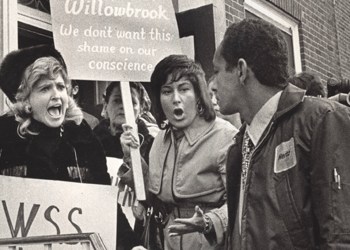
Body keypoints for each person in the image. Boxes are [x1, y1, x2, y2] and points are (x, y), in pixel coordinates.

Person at [212, 19, 350, 249]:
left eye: (216, 71)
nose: (213, 85)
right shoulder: (238, 148)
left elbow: (341, 236)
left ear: (241, 70)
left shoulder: (321, 121)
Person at [121, 55, 238, 250]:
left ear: (198, 94)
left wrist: (209, 222)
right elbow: (152, 196)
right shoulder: (160, 140)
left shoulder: (225, 138)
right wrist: (132, 156)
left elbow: (242, 204)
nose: (176, 99)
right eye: (167, 91)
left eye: (184, 89)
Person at [0, 45, 109, 184]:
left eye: (61, 87)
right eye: (45, 88)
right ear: (26, 100)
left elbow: (104, 199)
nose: (57, 95)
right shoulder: (4, 136)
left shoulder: (84, 138)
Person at [93, 81, 159, 249]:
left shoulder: (153, 144)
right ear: (105, 105)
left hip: (137, 234)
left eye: (131, 102)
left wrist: (133, 156)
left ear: (141, 109)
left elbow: (155, 192)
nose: (124, 107)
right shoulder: (90, 143)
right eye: (117, 101)